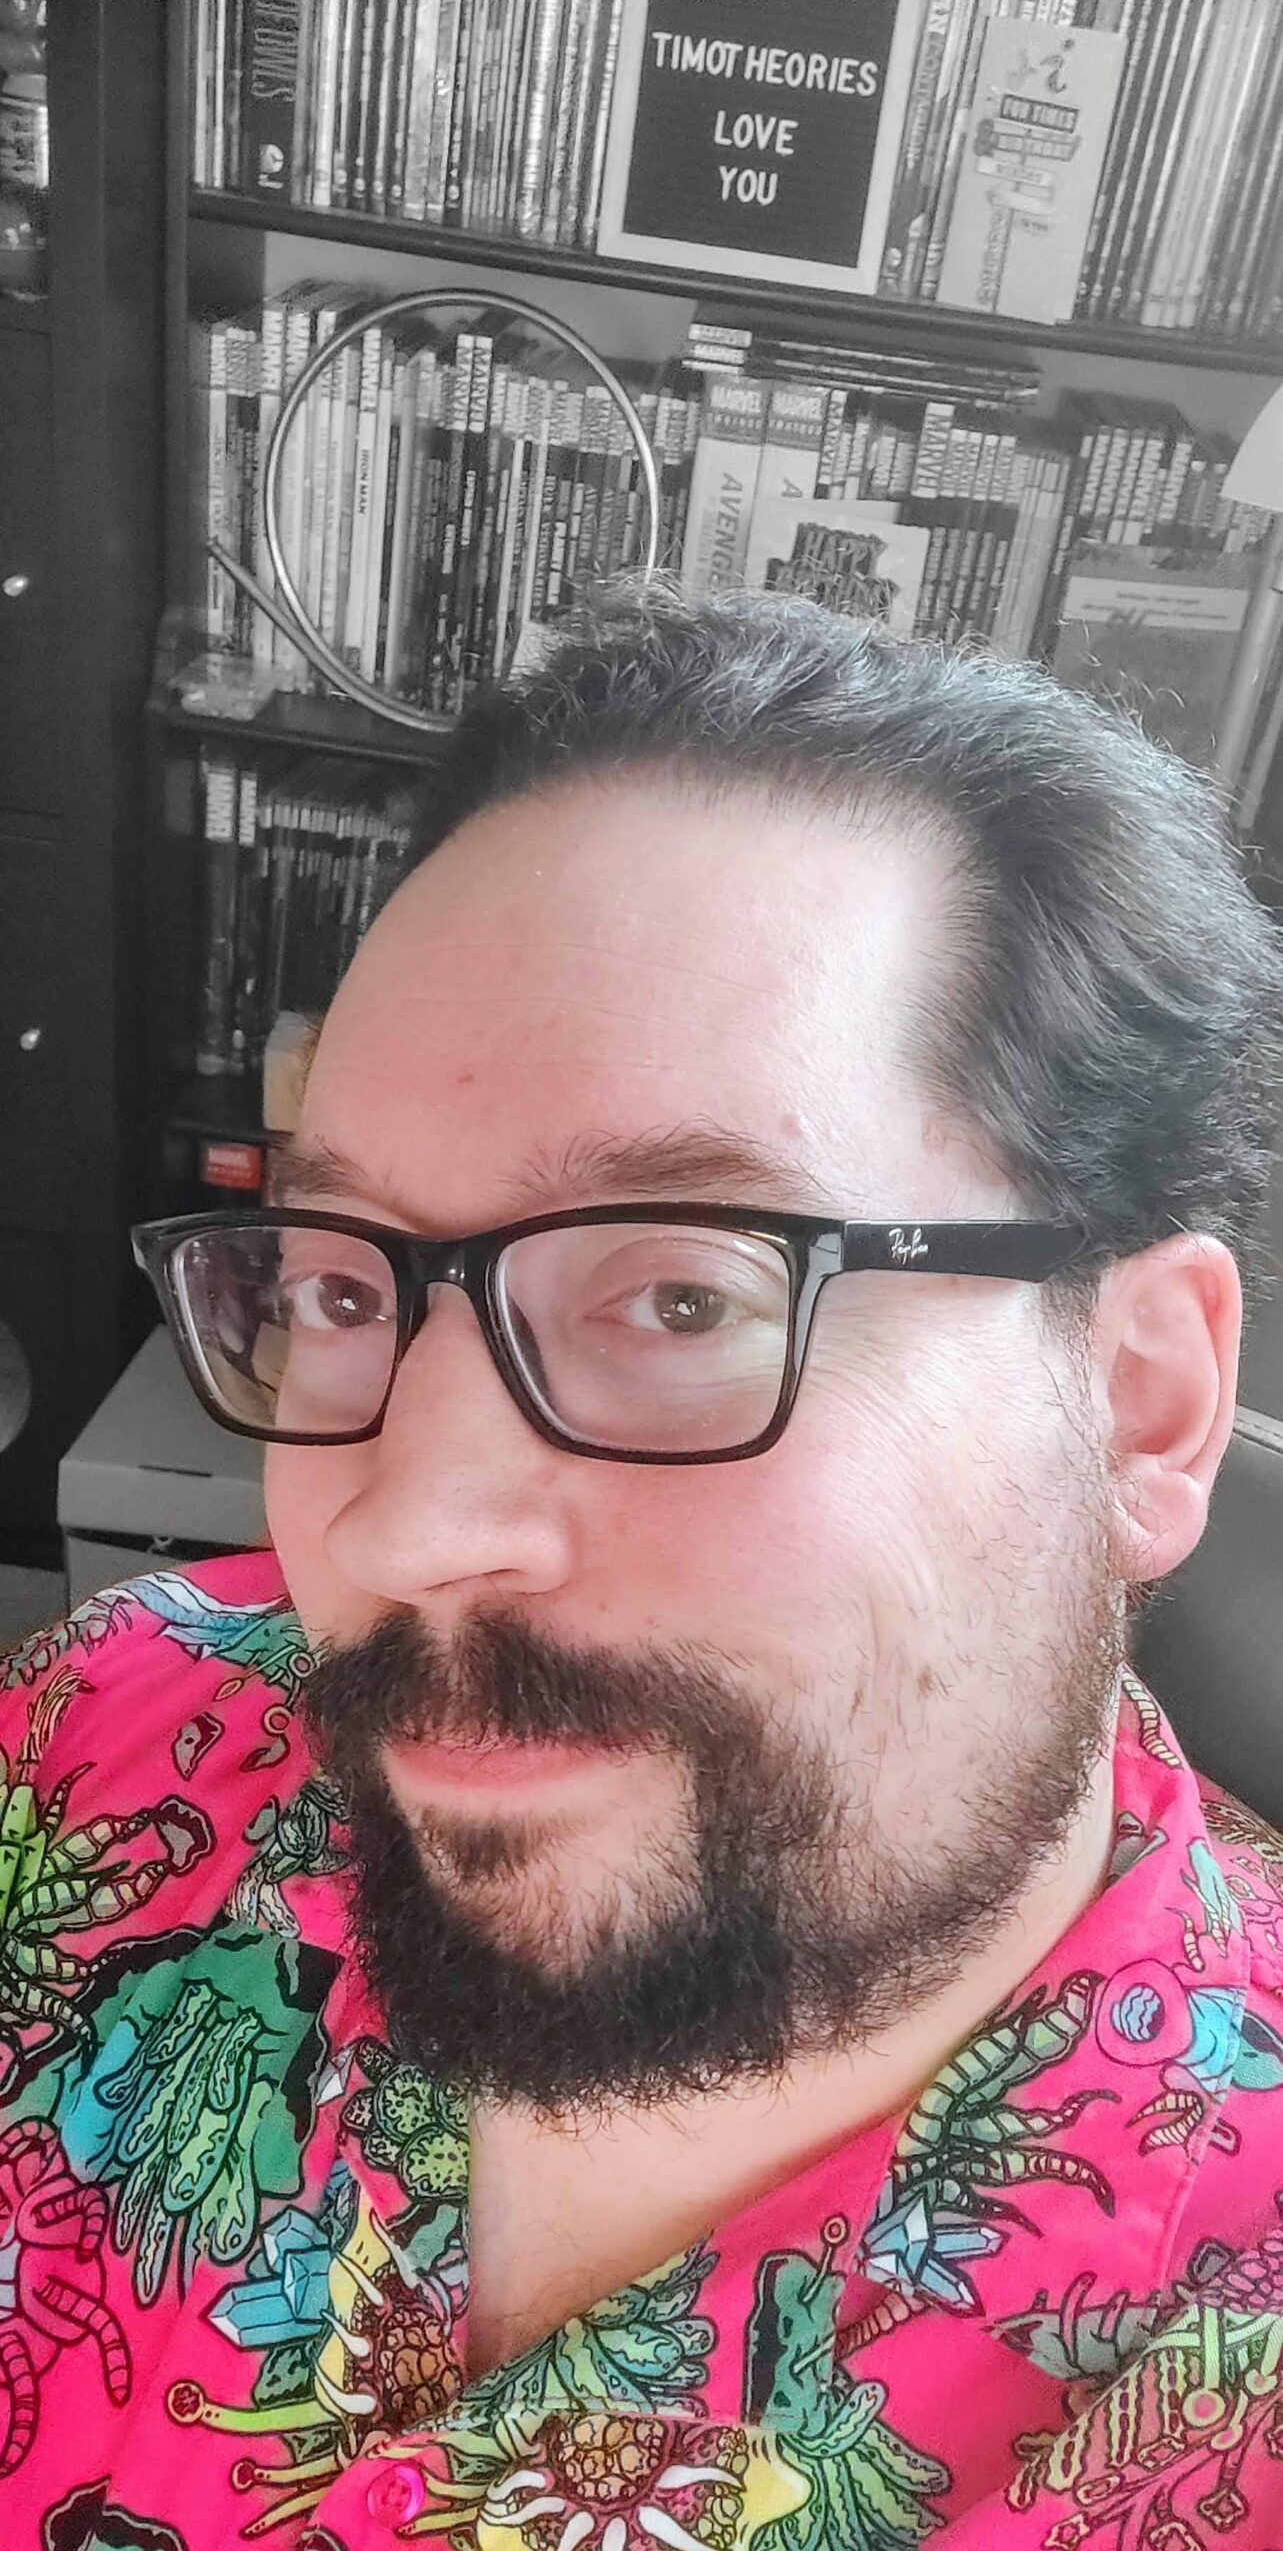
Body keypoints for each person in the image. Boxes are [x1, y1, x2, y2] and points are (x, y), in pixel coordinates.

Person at [4, 585, 1283, 2551]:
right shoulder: (115, 1725)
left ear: (1137, 1401)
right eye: (346, 1282)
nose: (400, 1522)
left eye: (683, 1292)